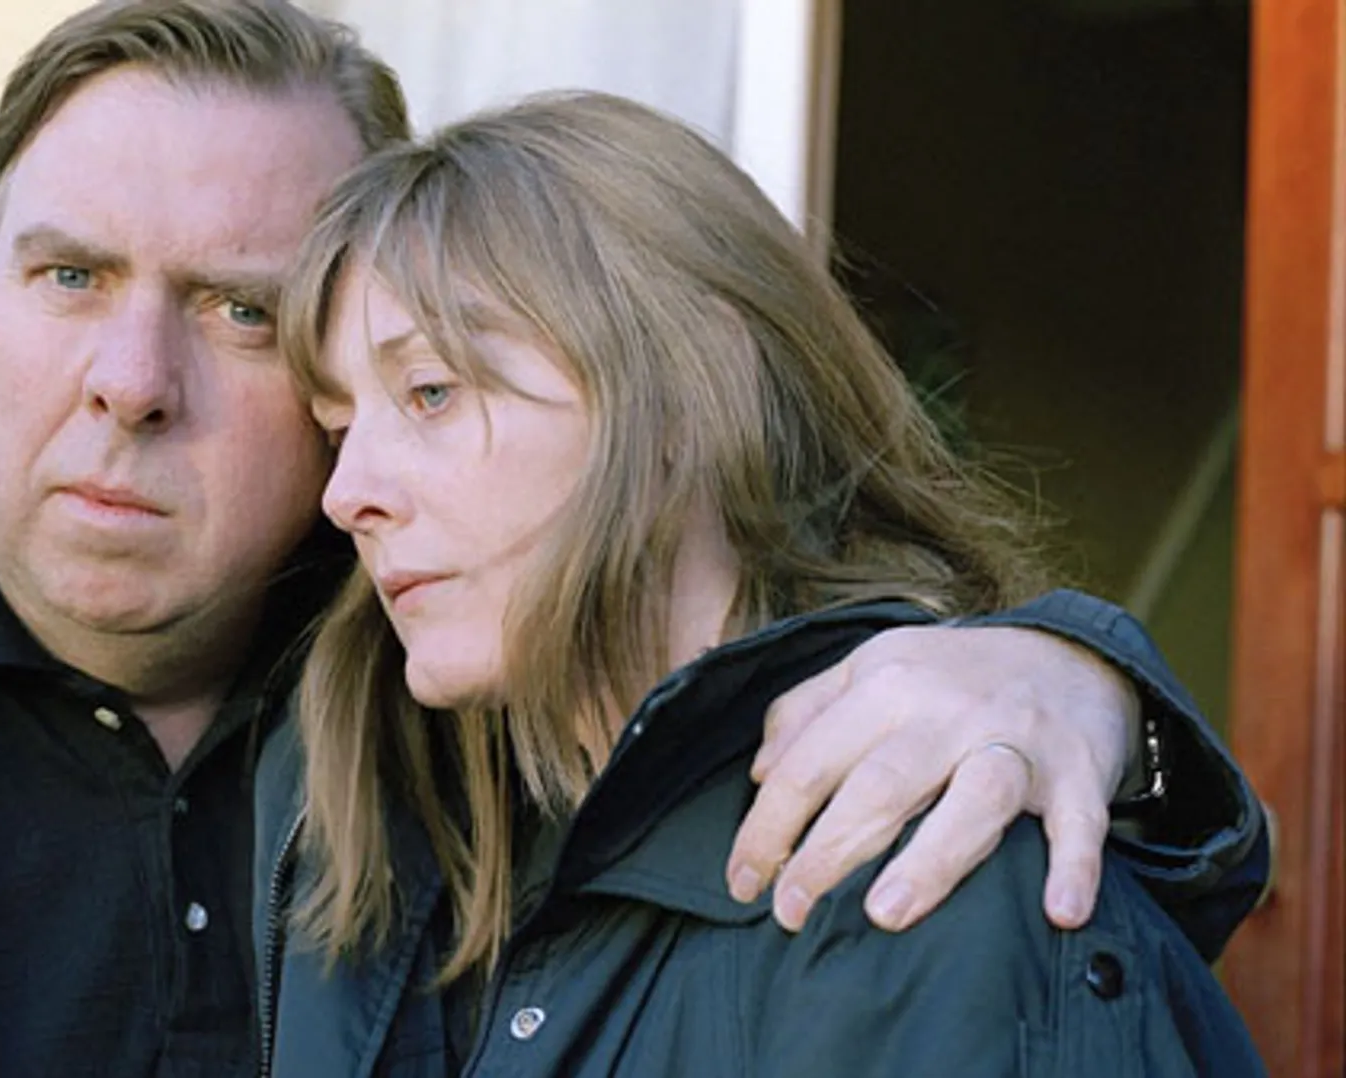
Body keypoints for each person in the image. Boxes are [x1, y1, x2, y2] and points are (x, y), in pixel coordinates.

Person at [0, 2, 1261, 1076]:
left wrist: (1083, 686)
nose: (131, 379)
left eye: (239, 312)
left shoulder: (494, 718)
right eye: (68, 275)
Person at [258, 90, 1263, 1077]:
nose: (348, 495)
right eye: (340, 430)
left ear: (688, 386)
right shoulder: (376, 828)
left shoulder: (925, 868)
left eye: (432, 391)